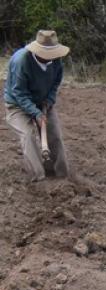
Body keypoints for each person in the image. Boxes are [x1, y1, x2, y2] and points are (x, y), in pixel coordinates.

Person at [4, 30, 71, 182]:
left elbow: (55, 82)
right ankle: (38, 177)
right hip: (17, 104)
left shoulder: (56, 60)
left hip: (43, 101)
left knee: (55, 135)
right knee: (27, 136)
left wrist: (49, 100)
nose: (51, 57)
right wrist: (36, 113)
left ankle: (61, 175)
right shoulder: (21, 61)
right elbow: (19, 92)